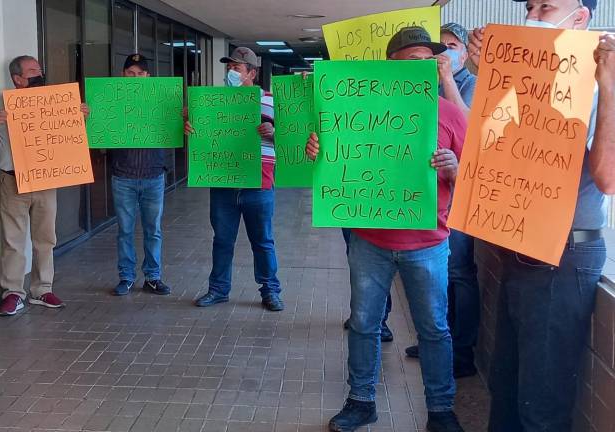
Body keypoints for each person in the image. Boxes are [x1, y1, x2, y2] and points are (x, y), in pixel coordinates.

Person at [466, 1, 615, 430]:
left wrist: (608, 84)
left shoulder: (599, 82)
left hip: (563, 257)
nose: (534, 14)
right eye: (531, 6)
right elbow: (500, 147)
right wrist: (488, 74)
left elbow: (610, 179)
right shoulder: (529, 76)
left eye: (546, 5)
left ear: (580, 17)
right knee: (508, 388)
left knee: (542, 404)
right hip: (518, 247)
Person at [308, 27, 468, 432]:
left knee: (434, 328)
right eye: (410, 62)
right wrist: (318, 150)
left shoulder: (449, 113)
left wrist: (454, 168)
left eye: (427, 62)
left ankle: (441, 409)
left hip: (429, 243)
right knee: (363, 323)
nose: (422, 69)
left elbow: (479, 178)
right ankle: (360, 401)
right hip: (370, 240)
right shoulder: (357, 110)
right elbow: (336, 159)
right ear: (390, 67)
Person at [0, 55, 88, 315]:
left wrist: (80, 116)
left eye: (39, 69)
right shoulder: (0, 104)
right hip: (12, 180)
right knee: (13, 241)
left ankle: (42, 289)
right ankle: (14, 292)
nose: (38, 73)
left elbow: (69, 138)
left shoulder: (55, 102)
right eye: (31, 71)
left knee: (45, 238)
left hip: (46, 179)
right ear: (17, 78)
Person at [404, 23, 480, 380]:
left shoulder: (471, 83)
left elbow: (468, 133)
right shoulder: (420, 86)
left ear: (463, 53)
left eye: (452, 46)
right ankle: (438, 339)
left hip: (460, 201)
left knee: (460, 274)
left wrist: (447, 79)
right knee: (442, 280)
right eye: (441, 47)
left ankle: (461, 351)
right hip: (427, 203)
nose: (443, 53)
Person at [185, 47, 284, 312]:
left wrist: (274, 133)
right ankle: (218, 290)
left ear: (252, 73)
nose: (231, 72)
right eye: (228, 67)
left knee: (263, 241)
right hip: (223, 182)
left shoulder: (271, 101)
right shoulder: (213, 104)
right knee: (222, 240)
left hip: (259, 183)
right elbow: (200, 137)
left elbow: (291, 140)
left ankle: (270, 290)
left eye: (236, 68)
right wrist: (190, 127)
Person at [110, 54, 171, 296]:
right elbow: (98, 131)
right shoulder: (112, 101)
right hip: (122, 175)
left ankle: (153, 277)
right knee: (124, 230)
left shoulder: (162, 101)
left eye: (140, 74)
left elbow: (176, 126)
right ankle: (126, 276)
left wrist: (185, 115)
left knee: (153, 230)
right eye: (130, 73)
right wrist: (88, 115)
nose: (135, 78)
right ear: (123, 75)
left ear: (148, 76)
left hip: (153, 174)